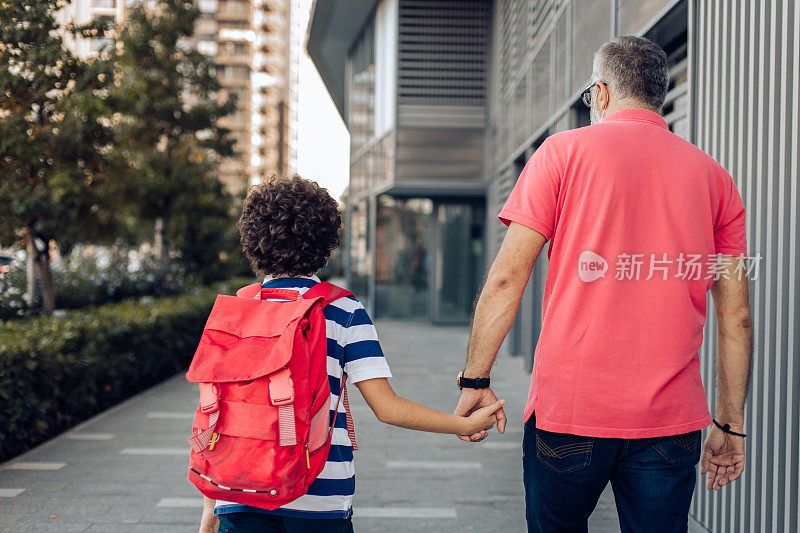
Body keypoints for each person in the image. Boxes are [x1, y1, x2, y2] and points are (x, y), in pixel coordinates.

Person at [453, 35, 752, 532]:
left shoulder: (560, 154)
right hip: (670, 422)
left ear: (602, 93)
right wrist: (729, 424)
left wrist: (476, 381)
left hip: (570, 410)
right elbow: (736, 316)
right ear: (659, 96)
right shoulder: (715, 178)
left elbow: (507, 277)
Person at [199, 175, 505, 533]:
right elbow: (387, 408)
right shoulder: (342, 310)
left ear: (253, 239)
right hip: (320, 496)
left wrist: (211, 508)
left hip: (239, 491)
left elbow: (218, 413)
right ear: (326, 243)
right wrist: (464, 424)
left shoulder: (239, 310)